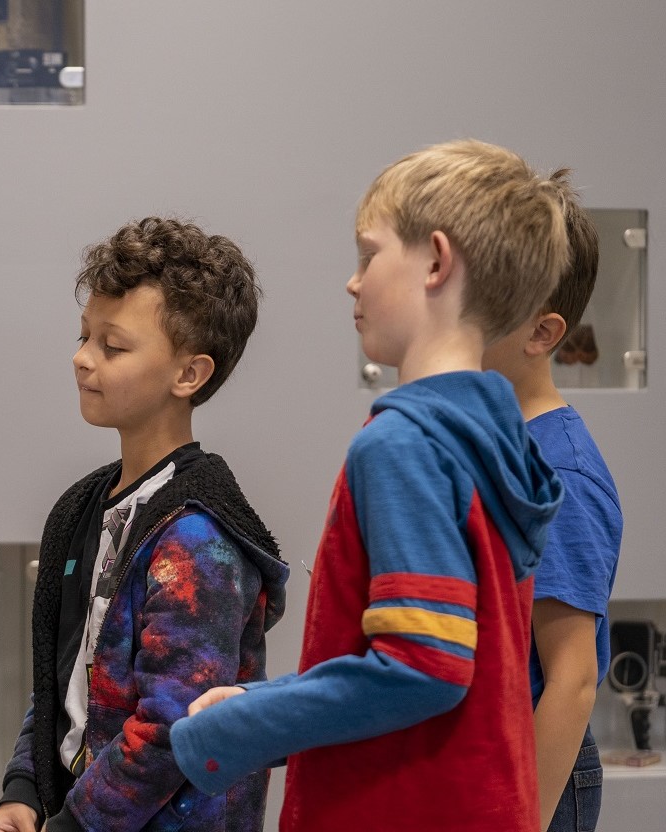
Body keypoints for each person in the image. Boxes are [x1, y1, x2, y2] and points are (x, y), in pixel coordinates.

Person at [169, 139, 571, 832]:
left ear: (437, 262)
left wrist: (239, 728)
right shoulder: (497, 434)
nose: (352, 283)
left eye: (368, 254)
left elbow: (425, 665)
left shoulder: (405, 442)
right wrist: (274, 696)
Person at [0, 217, 288, 832]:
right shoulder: (83, 506)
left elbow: (169, 729)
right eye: (84, 335)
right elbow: (64, 681)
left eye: (112, 346)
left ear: (189, 375)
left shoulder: (198, 539)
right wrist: (23, 786)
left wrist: (74, 823)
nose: (81, 358)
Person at [481, 172, 622, 832]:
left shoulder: (555, 464)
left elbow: (571, 677)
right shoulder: (493, 439)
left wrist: (521, 819)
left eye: (481, 300)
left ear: (541, 331)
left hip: (538, 771)